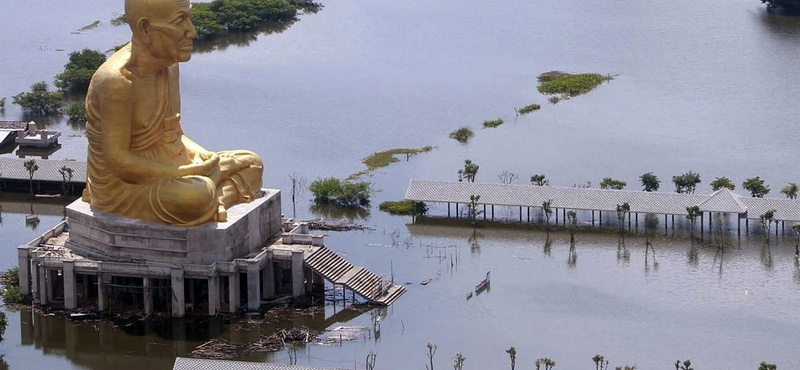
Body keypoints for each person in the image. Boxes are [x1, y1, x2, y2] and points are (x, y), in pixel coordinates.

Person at [83, 0, 263, 226]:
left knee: (252, 163)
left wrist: (205, 156)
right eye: (180, 21)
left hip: (174, 164)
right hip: (127, 185)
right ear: (145, 28)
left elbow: (172, 133)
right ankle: (209, 198)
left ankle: (214, 199)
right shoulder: (116, 82)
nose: (192, 32)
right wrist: (185, 172)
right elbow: (119, 162)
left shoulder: (169, 65)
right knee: (195, 196)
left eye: (189, 18)